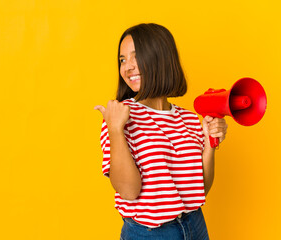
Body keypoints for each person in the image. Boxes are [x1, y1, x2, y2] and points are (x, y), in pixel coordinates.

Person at [94, 23, 228, 240]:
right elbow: (128, 192)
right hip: (149, 233)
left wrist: (209, 144)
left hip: (195, 225)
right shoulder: (121, 116)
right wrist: (115, 130)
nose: (127, 67)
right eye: (122, 59)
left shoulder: (189, 119)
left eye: (135, 57)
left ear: (160, 57)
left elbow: (199, 190)